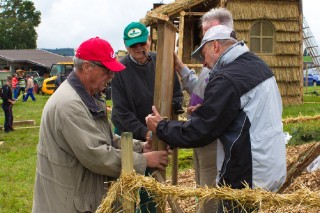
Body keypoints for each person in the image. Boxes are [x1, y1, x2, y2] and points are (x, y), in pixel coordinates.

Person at [146, 25, 287, 212]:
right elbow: (246, 111)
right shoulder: (256, 65)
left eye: (203, 55)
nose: (203, 63)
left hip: (246, 174)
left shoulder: (226, 78)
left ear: (215, 47)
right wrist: (210, 109)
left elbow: (201, 131)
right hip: (267, 163)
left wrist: (162, 127)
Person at [32, 37, 170, 213]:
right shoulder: (69, 104)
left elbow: (106, 138)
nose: (111, 76)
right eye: (107, 70)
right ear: (87, 67)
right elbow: (96, 154)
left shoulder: (89, 96)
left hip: (79, 197)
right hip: (66, 203)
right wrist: (144, 161)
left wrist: (141, 147)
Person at [111, 22, 184, 213]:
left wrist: (172, 113)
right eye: (133, 45)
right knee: (126, 189)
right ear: (126, 45)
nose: (138, 48)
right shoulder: (119, 70)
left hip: (157, 133)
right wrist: (146, 133)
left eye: (142, 43)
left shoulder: (162, 61)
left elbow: (177, 94)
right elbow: (121, 113)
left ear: (150, 41)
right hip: (130, 135)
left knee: (152, 191)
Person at [174, 8, 234, 213]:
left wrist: (206, 109)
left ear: (223, 33)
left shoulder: (230, 66)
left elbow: (225, 106)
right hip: (200, 134)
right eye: (203, 34)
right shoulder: (211, 64)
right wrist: (181, 68)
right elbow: (198, 88)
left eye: (209, 33)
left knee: (210, 193)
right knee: (202, 187)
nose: (205, 40)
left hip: (213, 139)